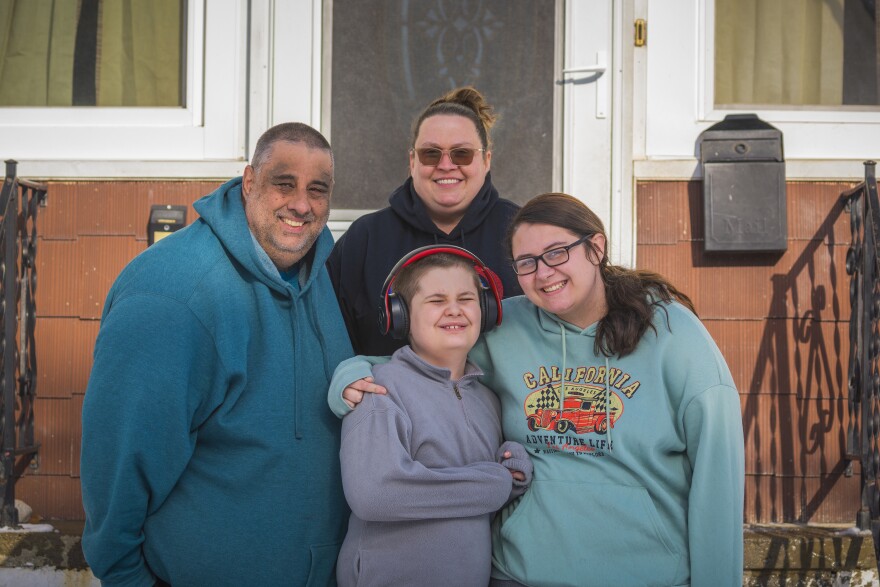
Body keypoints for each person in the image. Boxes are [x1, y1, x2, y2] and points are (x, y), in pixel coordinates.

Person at [329, 193, 746, 587]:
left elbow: (718, 473)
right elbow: (428, 361)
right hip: (519, 573)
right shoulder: (505, 325)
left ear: (596, 248)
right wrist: (354, 372)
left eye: (557, 252)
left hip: (643, 572)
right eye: (526, 262)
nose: (544, 273)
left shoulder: (671, 332)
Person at [81, 122, 354, 587]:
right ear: (249, 182)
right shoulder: (173, 295)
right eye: (283, 184)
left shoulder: (317, 273)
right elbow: (119, 459)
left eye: (317, 189)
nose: (302, 204)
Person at [335, 246, 532, 587]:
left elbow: (475, 492)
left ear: (485, 310)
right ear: (401, 316)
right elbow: (375, 494)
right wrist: (496, 482)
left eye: (466, 298)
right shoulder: (378, 388)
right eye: (436, 300)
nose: (454, 309)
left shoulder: (487, 398)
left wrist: (512, 473)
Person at [327, 86, 522, 356]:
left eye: (461, 153)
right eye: (431, 153)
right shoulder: (365, 238)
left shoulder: (522, 234)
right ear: (412, 161)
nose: (445, 165)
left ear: (486, 160)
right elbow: (328, 341)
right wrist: (349, 375)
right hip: (390, 398)